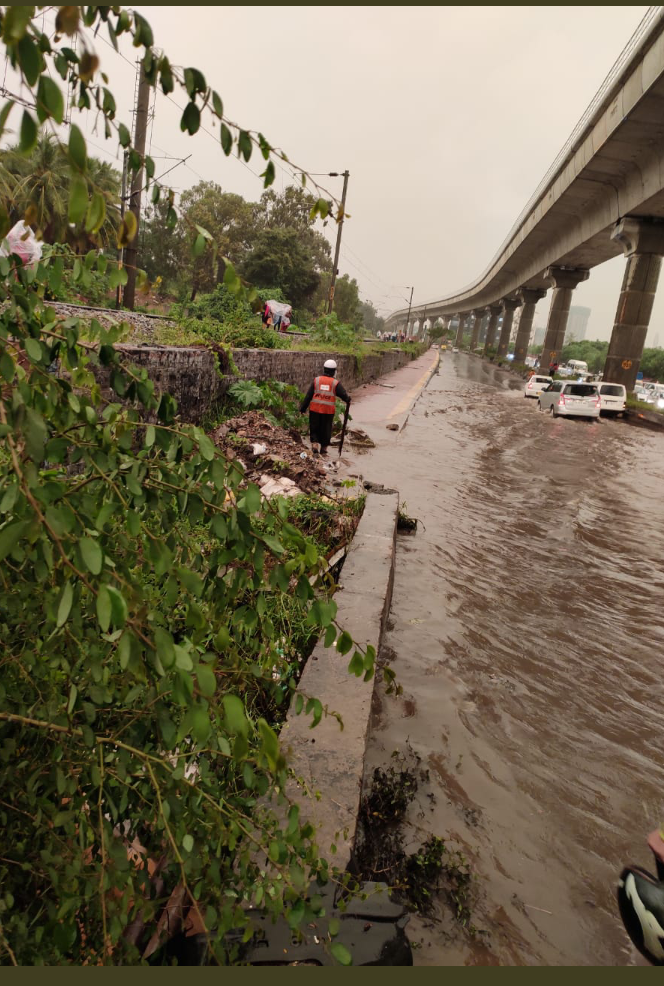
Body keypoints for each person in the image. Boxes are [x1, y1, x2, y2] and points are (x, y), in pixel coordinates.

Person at [300, 358, 351, 456]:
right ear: (334, 371)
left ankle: (314, 445)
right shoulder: (335, 383)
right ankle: (324, 449)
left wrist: (303, 408)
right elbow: (344, 395)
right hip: (328, 412)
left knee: (314, 427)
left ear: (324, 369)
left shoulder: (317, 380)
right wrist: (348, 399)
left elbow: (308, 395)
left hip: (315, 409)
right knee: (326, 430)